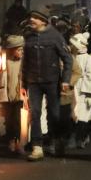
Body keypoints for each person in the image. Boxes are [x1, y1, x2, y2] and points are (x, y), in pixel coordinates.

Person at [21, 10, 72, 161]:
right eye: (31, 17)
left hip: (52, 81)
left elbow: (67, 59)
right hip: (33, 82)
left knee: (54, 114)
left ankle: (56, 141)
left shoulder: (55, 36)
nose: (31, 20)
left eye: (35, 18)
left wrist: (65, 80)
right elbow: (25, 63)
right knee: (35, 113)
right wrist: (23, 83)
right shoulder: (28, 37)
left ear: (43, 21)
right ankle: (37, 147)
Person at [0, 34, 26, 155]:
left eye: (22, 49)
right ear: (11, 49)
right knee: (8, 120)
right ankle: (10, 141)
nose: (21, 52)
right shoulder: (2, 60)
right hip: (6, 96)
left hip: (20, 95)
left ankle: (19, 143)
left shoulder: (25, 62)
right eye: (18, 49)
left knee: (20, 120)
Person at [69, 32, 91, 149]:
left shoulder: (88, 58)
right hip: (74, 88)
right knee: (74, 114)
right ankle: (75, 138)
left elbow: (90, 76)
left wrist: (87, 92)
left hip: (84, 92)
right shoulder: (72, 57)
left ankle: (82, 137)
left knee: (83, 116)